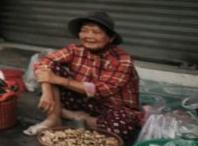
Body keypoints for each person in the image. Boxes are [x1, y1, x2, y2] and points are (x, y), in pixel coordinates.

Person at [24, 11, 141, 139]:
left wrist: (58, 80)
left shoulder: (122, 60)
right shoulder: (75, 49)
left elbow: (100, 90)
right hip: (82, 100)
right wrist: (46, 91)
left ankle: (74, 116)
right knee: (53, 67)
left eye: (96, 32)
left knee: (120, 127)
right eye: (84, 30)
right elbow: (44, 63)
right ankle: (54, 118)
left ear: (110, 38)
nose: (89, 36)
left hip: (111, 107)